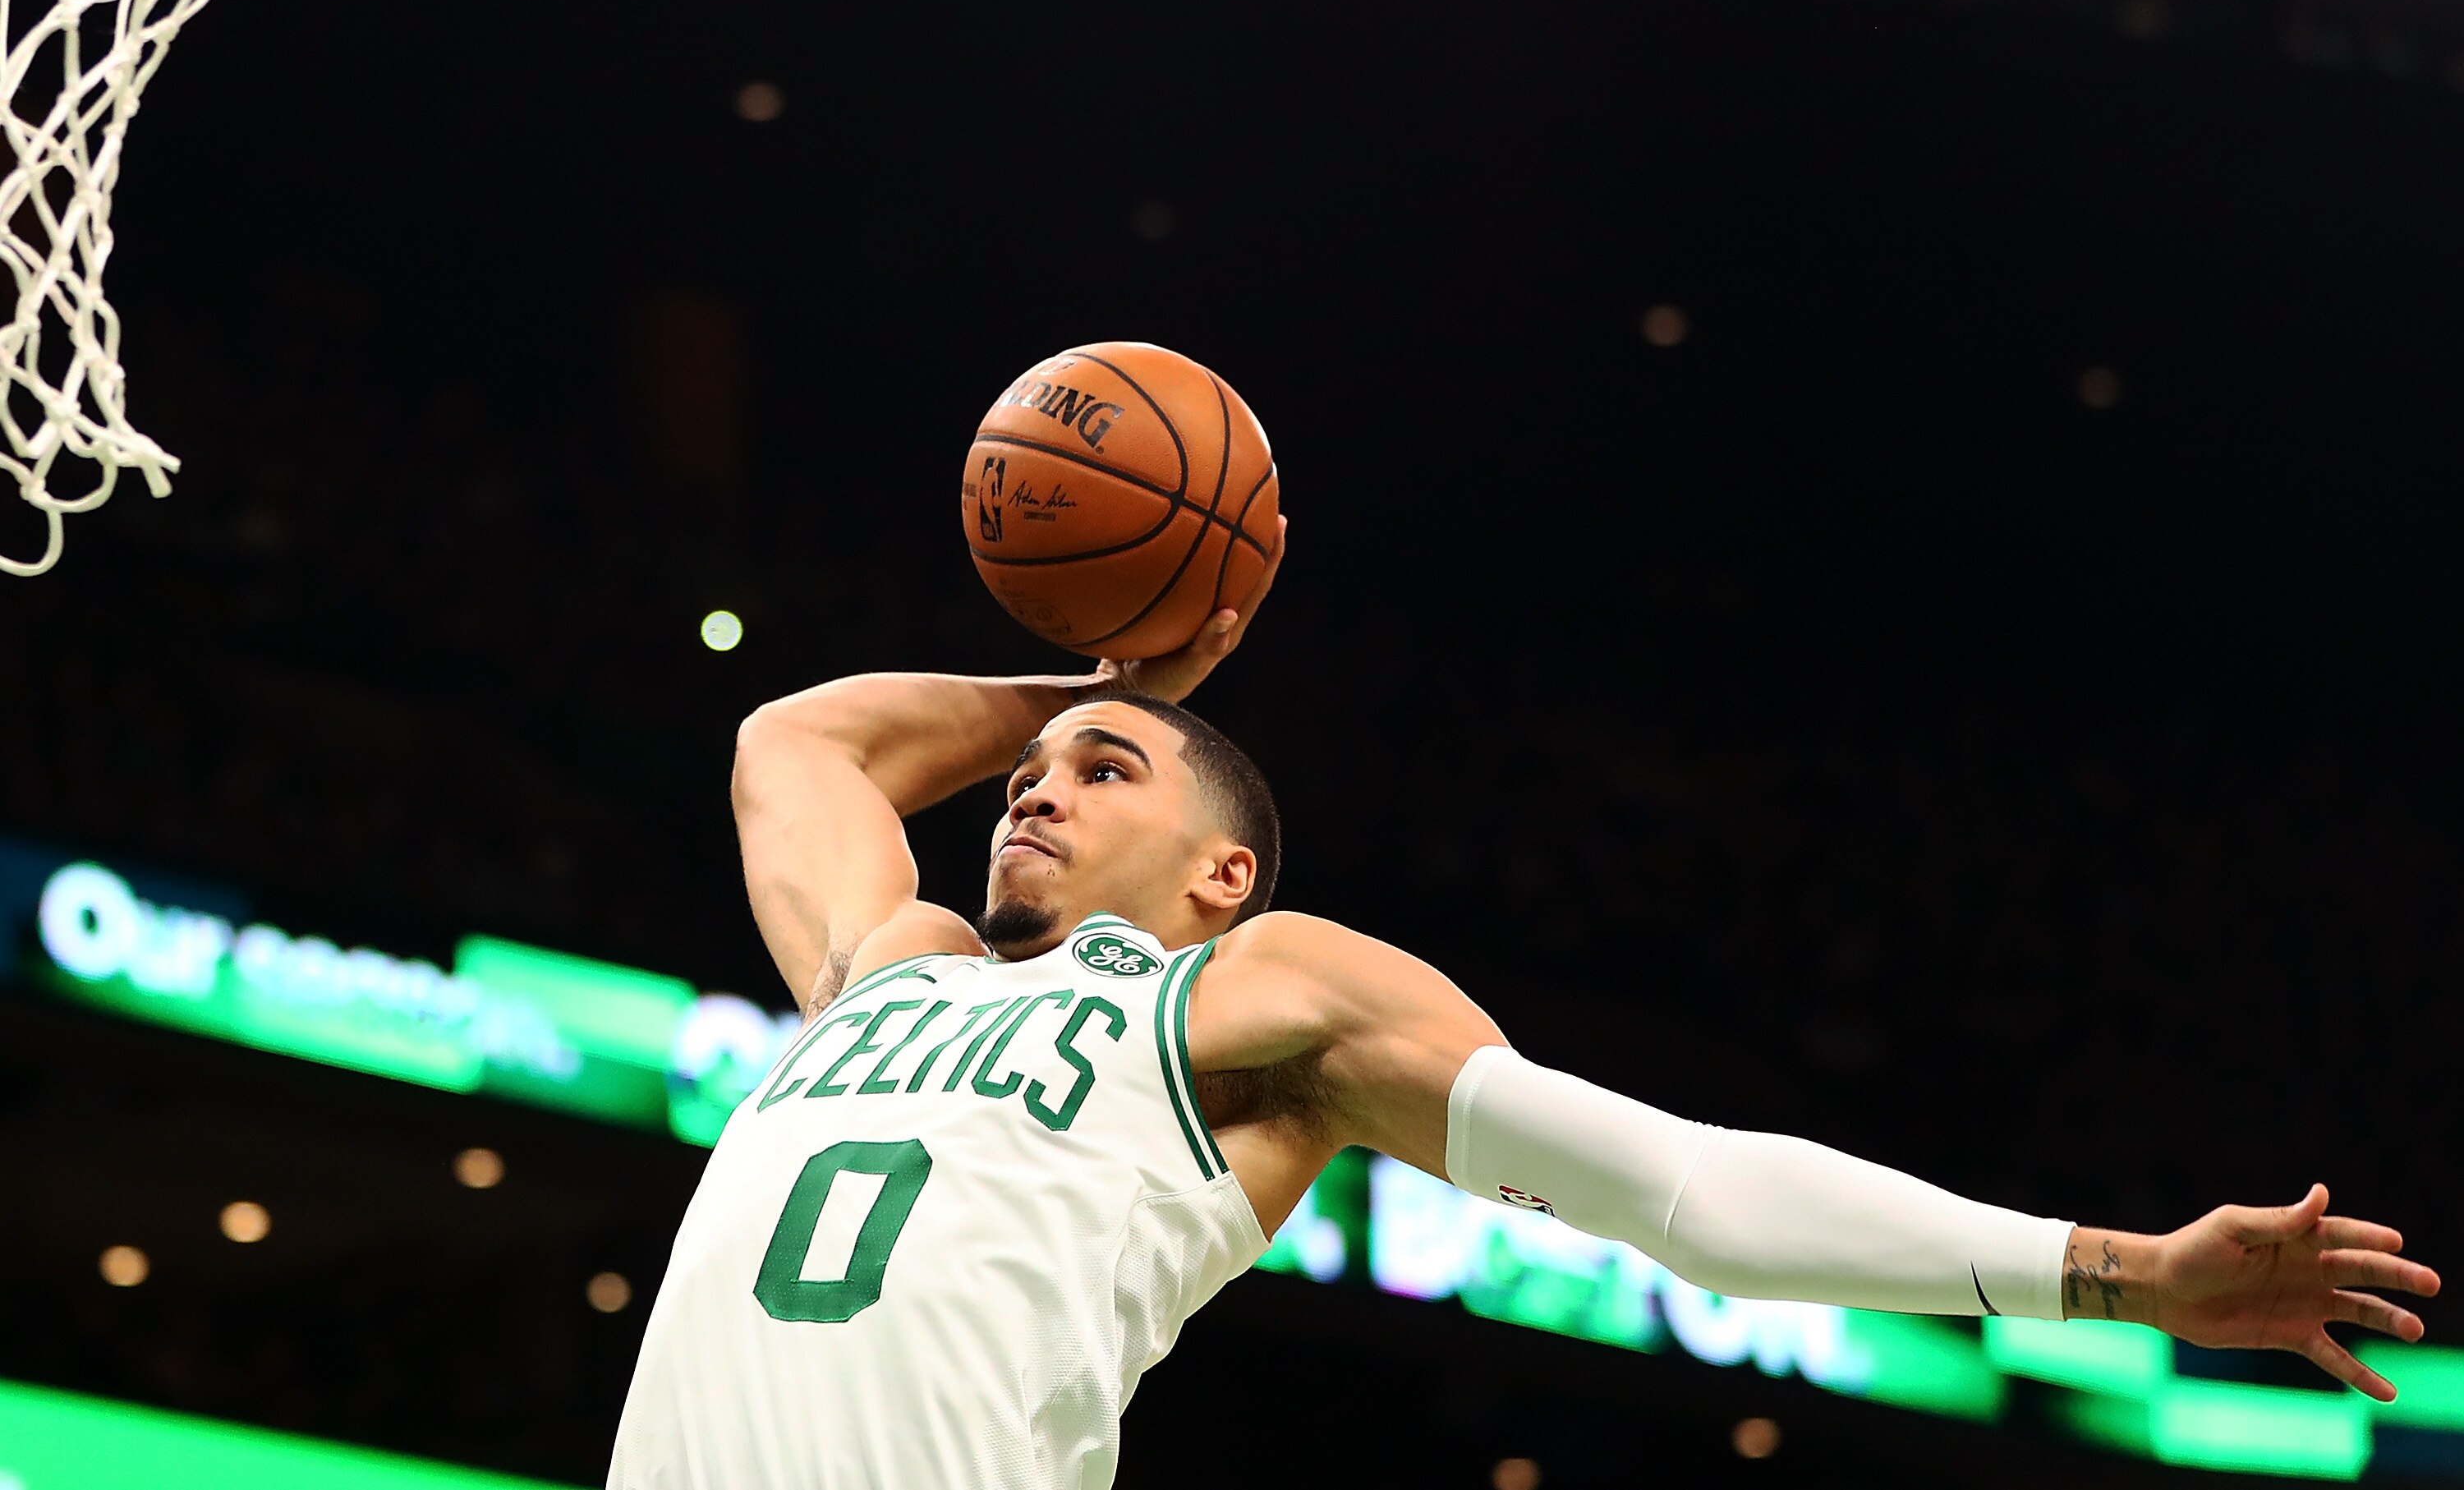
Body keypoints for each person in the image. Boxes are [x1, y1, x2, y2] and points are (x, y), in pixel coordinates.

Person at [609, 521, 2438, 1488]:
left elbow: (1695, 1198)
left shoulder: (1261, 991)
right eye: (1037, 771)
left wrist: (2125, 1270)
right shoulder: (889, 961)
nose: (1035, 785)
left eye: (1105, 772)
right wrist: (1101, 676)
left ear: (1220, 872)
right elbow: (800, 737)